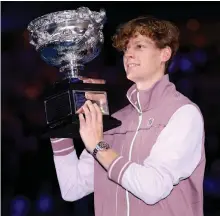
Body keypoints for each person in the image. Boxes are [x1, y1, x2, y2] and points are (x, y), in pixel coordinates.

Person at [50, 16, 205, 216]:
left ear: (164, 54)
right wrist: (61, 124)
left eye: (139, 46)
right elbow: (73, 188)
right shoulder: (115, 121)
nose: (128, 54)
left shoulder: (183, 113)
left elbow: (153, 188)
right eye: (126, 49)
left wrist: (99, 146)